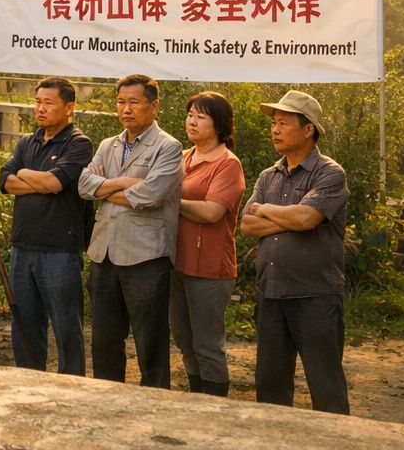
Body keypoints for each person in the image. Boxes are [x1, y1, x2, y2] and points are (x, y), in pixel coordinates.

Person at [241, 89, 351, 414]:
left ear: (308, 129)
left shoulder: (330, 173)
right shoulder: (267, 175)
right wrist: (292, 217)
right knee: (270, 387)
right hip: (271, 295)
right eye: (273, 122)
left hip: (315, 296)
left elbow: (307, 218)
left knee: (325, 385)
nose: (274, 129)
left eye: (283, 123)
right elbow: (247, 226)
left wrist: (268, 210)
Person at [77, 73, 183, 387]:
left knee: (150, 341)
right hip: (104, 254)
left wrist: (103, 187)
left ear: (154, 106)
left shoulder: (168, 147)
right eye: (121, 102)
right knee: (105, 339)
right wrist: (127, 185)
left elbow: (152, 195)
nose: (126, 109)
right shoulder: (109, 144)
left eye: (134, 102)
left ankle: (154, 403)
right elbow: (83, 185)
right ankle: (109, 398)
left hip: (145, 257)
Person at [0, 77, 94, 374]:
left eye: (48, 103)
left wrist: (26, 174)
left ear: (69, 108)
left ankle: (72, 386)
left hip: (59, 252)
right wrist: (37, 180)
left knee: (66, 329)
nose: (40, 108)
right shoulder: (28, 141)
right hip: (22, 248)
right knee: (24, 325)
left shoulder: (79, 144)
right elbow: (5, 180)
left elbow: (55, 183)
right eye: (38, 101)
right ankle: (29, 381)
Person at [170, 91, 245, 397]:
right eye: (190, 115)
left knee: (208, 344)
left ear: (220, 125)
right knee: (185, 341)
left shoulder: (228, 164)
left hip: (211, 268)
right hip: (177, 262)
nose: (193, 121)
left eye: (202, 117)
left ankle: (215, 406)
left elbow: (212, 212)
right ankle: (196, 400)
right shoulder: (183, 157)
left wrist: (168, 200)